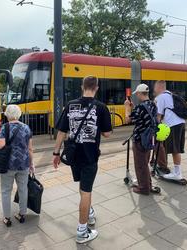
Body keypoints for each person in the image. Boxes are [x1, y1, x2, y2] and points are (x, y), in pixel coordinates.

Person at [53, 76, 112, 244]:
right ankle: (82, 231)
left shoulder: (70, 105)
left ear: (82, 87)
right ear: (97, 88)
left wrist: (56, 154)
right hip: (90, 156)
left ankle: (89, 212)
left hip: (73, 155)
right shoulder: (101, 107)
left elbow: (61, 131)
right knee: (86, 192)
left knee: (82, 187)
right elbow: (107, 133)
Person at [0, 105, 34, 227]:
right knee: (23, 189)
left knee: (6, 191)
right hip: (23, 164)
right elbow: (30, 149)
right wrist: (31, 164)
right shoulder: (26, 128)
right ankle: (22, 214)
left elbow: (0, 145)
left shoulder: (5, 127)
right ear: (19, 114)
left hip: (8, 165)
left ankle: (7, 218)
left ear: (7, 115)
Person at [124, 83, 158, 195]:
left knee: (140, 164)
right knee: (145, 162)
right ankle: (148, 184)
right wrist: (133, 108)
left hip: (140, 140)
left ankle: (143, 188)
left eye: (137, 94)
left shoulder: (140, 107)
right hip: (149, 138)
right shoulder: (153, 105)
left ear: (139, 93)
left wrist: (127, 108)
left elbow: (128, 120)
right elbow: (143, 117)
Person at [154, 80, 186, 180]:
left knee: (175, 150)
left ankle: (177, 173)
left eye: (155, 87)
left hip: (173, 125)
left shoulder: (161, 97)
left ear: (159, 87)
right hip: (181, 123)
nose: (154, 90)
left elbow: (158, 116)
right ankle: (177, 171)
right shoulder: (171, 94)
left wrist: (156, 128)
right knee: (177, 149)